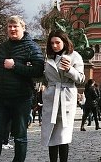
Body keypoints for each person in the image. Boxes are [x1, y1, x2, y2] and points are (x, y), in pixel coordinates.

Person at [0, 15, 45, 162]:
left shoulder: (32, 46)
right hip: (0, 98)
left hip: (21, 98)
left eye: (15, 26)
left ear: (23, 27)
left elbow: (38, 71)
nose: (12, 29)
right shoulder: (3, 46)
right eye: (10, 27)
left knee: (20, 136)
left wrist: (15, 66)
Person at [41, 29, 85, 162]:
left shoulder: (74, 55)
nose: (54, 46)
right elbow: (45, 76)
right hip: (51, 97)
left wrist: (69, 70)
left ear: (64, 42)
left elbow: (81, 78)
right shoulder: (48, 57)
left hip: (66, 96)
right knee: (51, 133)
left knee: (63, 135)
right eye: (52, 43)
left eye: (57, 42)